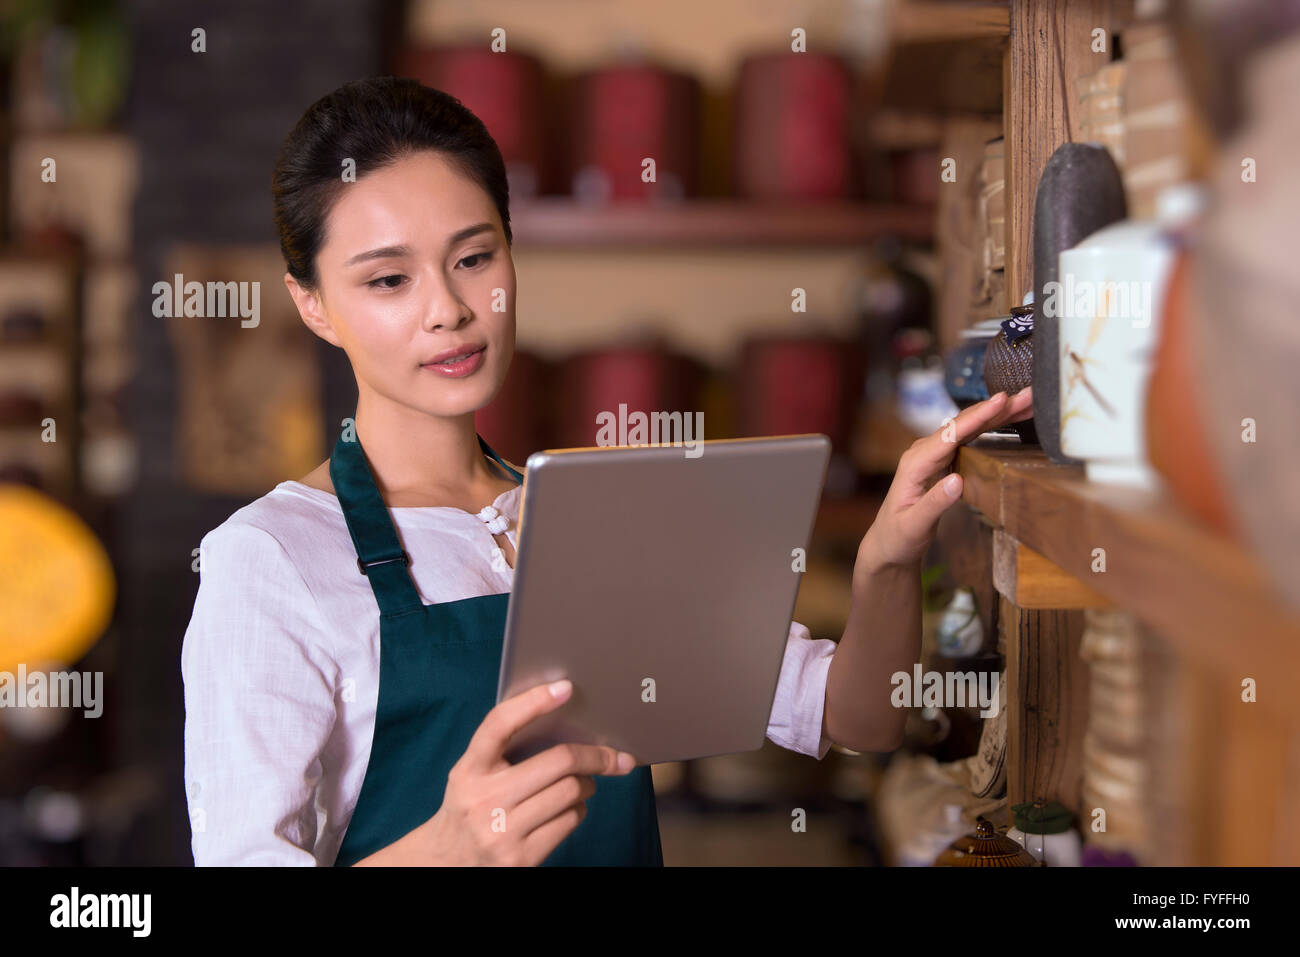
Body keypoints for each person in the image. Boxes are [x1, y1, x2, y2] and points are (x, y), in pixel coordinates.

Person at [180, 76, 1033, 866]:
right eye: (389, 279)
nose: (449, 309)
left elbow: (860, 717)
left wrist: (886, 564)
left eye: (475, 258)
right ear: (314, 305)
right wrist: (449, 848)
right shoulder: (271, 559)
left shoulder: (598, 515)